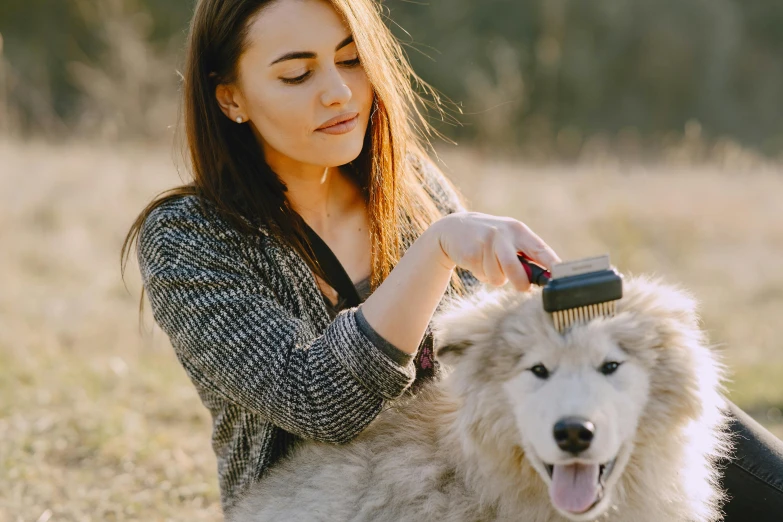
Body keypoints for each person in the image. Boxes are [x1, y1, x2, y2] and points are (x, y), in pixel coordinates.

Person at [121, 0, 783, 518]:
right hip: (336, 500)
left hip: (475, 462)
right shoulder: (190, 237)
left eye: (351, 61)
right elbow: (315, 400)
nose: (338, 93)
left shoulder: (405, 185)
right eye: (297, 73)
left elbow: (487, 360)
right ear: (229, 97)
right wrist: (437, 249)